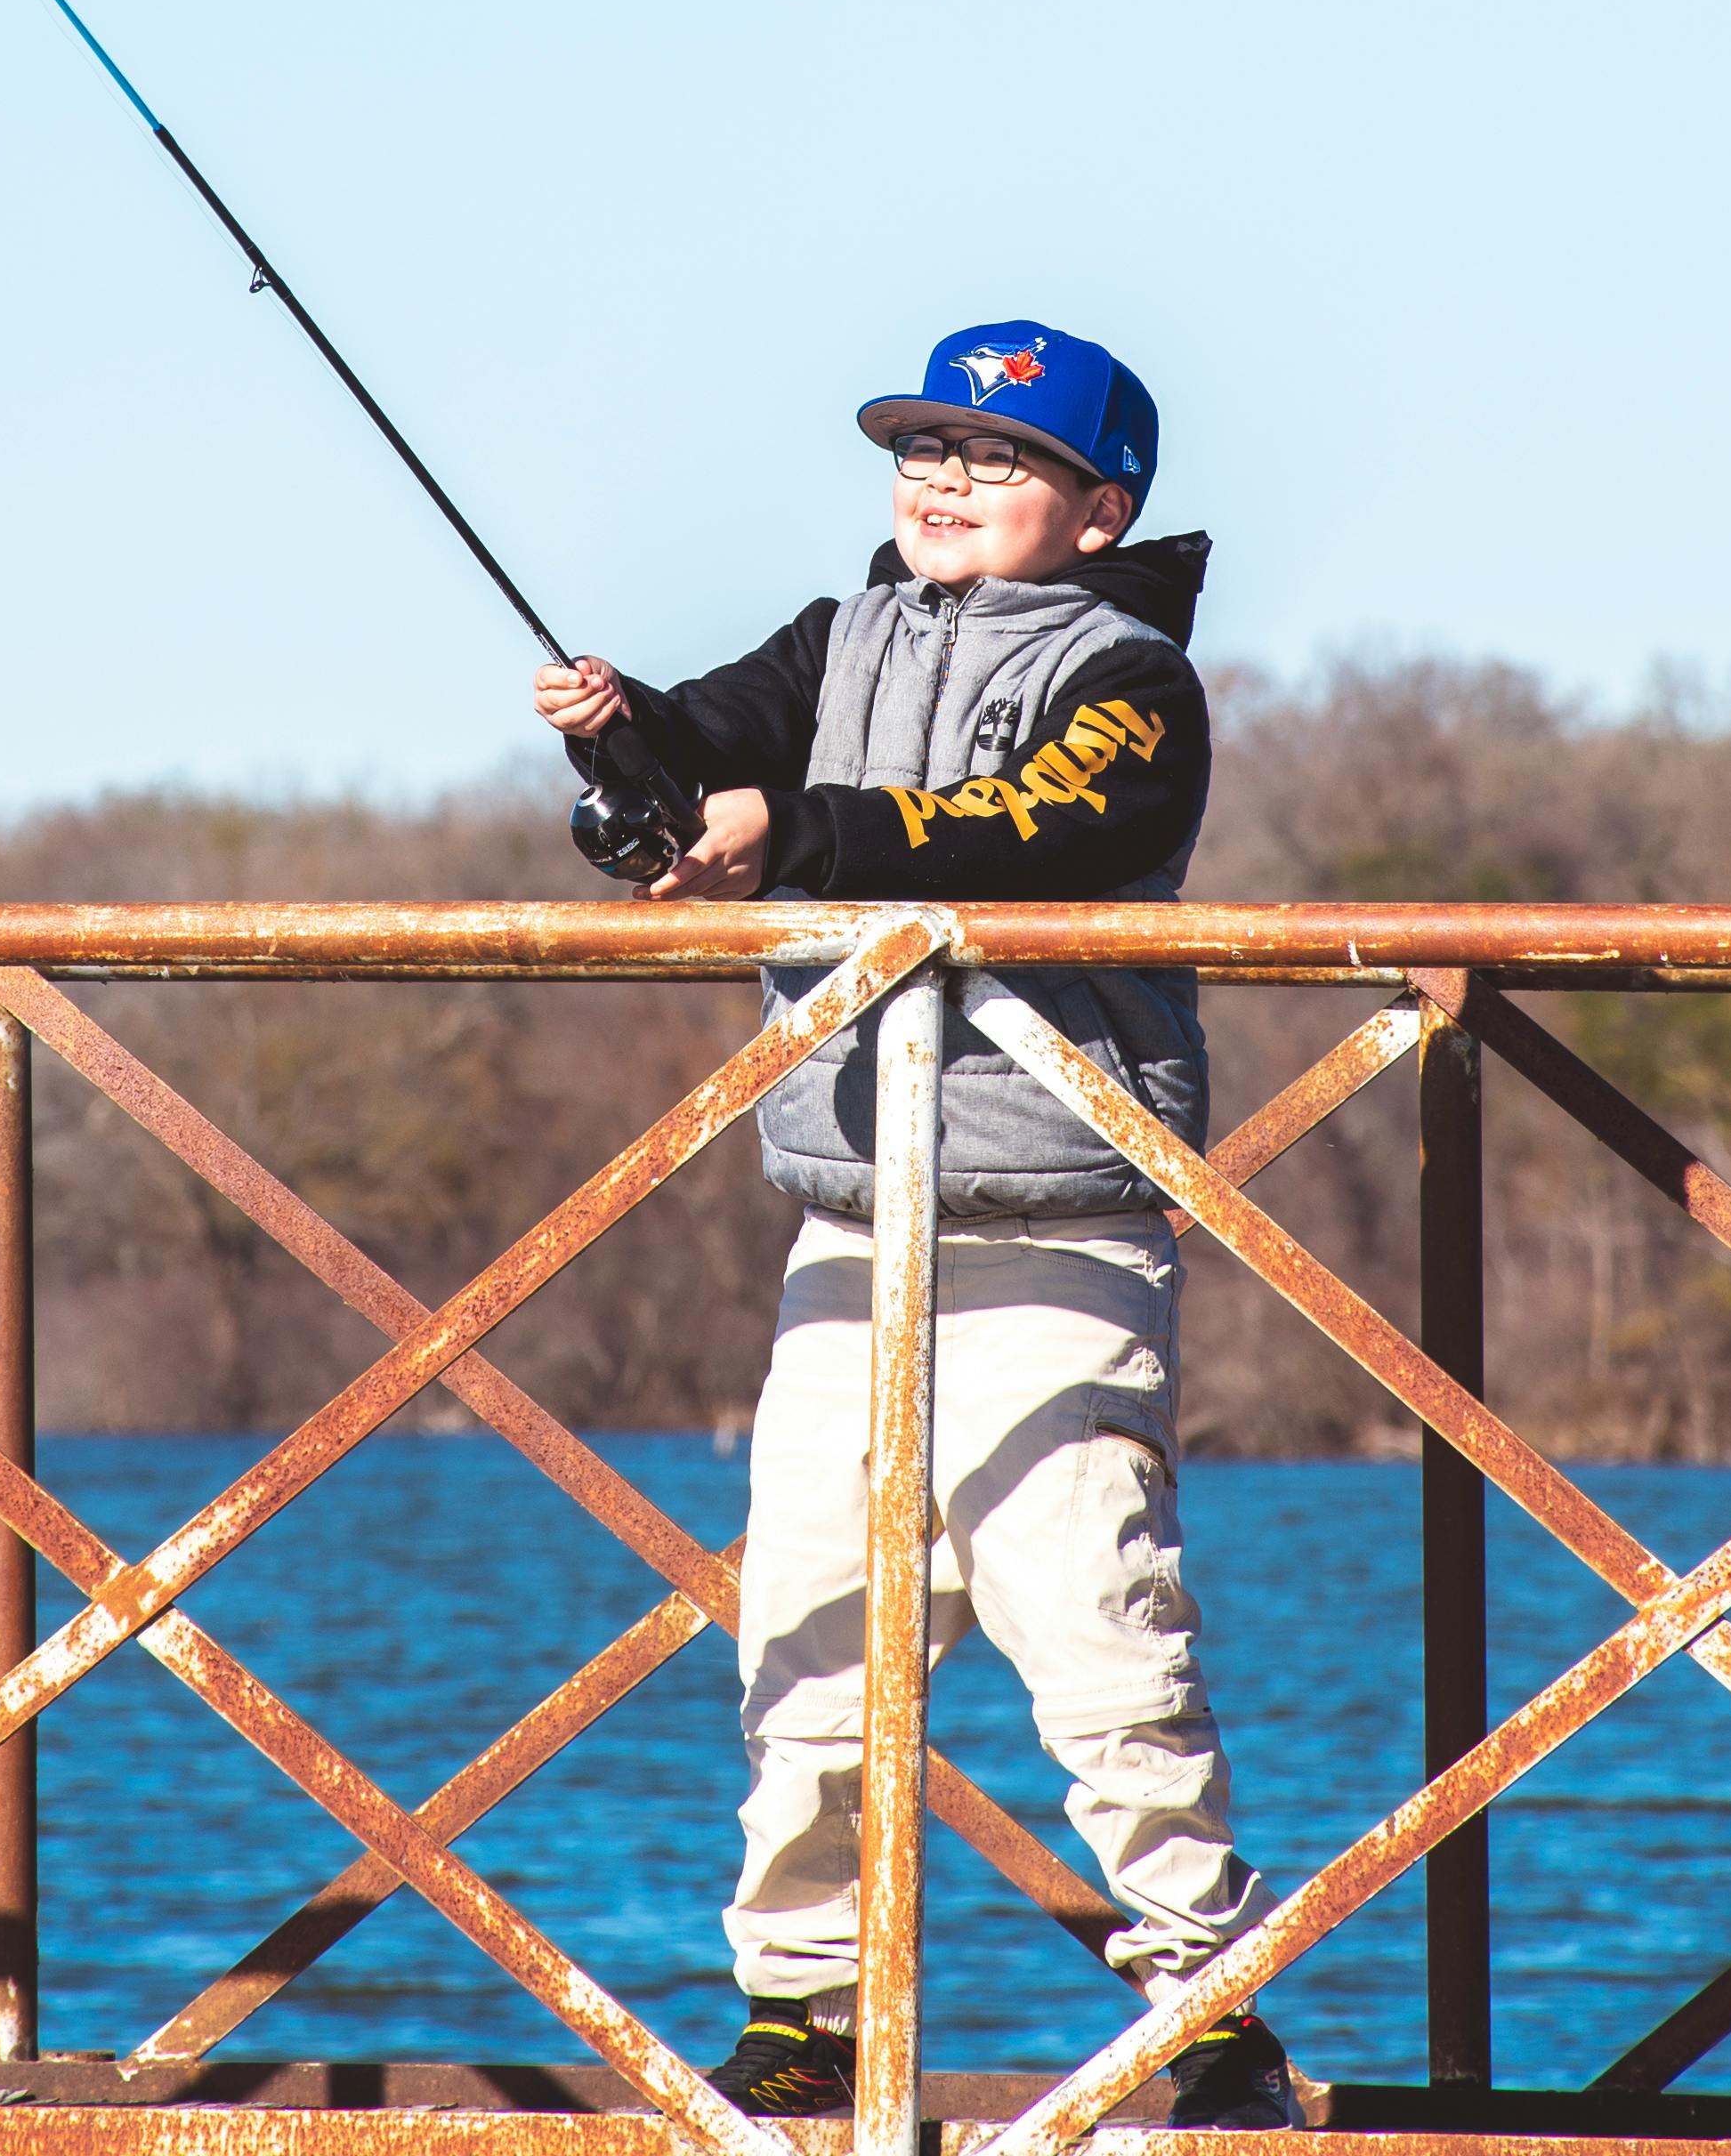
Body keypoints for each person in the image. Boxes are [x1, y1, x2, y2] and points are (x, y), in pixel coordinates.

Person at [530, 320, 1300, 2131]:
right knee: (805, 1619)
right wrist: (630, 735)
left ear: (1102, 508)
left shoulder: (1135, 676)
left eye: (994, 457)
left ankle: (1211, 2000)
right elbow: (712, 735)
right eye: (920, 447)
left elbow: (1036, 831)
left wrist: (789, 827)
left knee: (1095, 1621)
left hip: (1058, 1217)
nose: (941, 479)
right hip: (850, 1219)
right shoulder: (841, 634)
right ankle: (805, 2005)